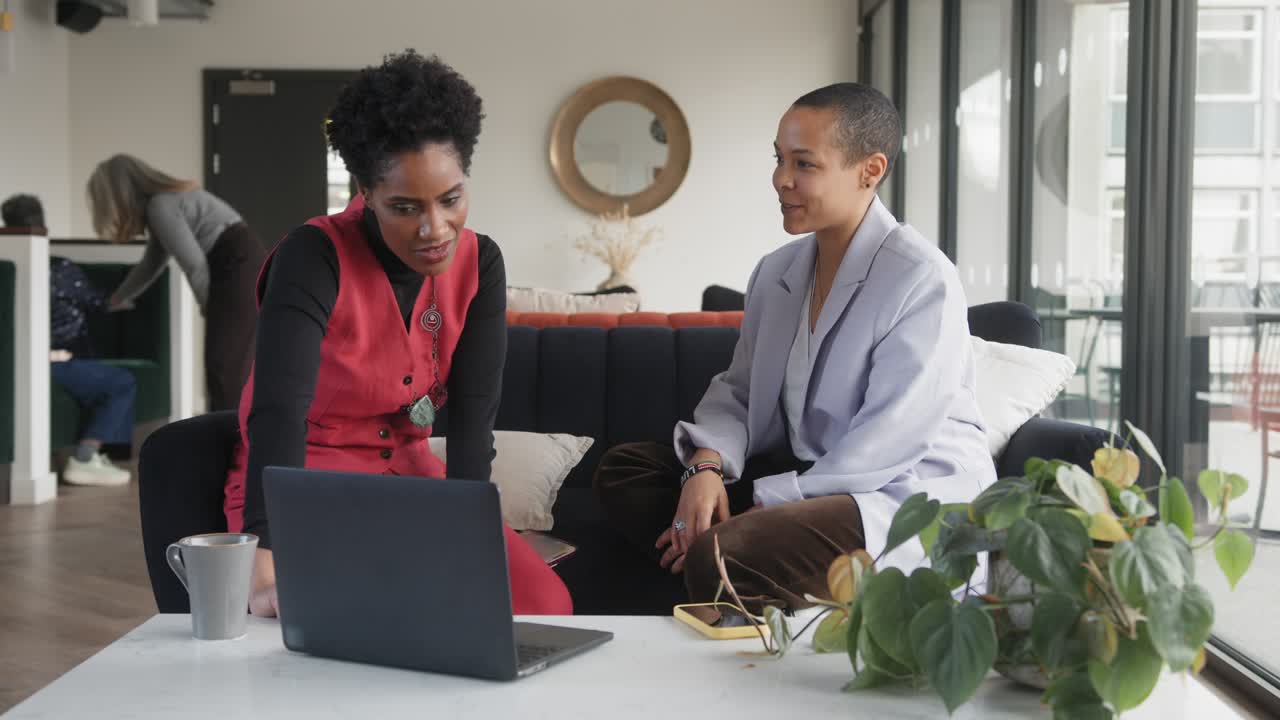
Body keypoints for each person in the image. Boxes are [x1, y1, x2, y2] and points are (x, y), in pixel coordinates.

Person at [594, 83, 995, 611]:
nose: (781, 179)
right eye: (779, 159)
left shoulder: (921, 278)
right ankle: (734, 564)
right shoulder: (777, 272)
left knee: (725, 550)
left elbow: (888, 442)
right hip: (806, 476)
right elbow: (739, 391)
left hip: (890, 493)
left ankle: (726, 559)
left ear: (870, 170)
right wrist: (704, 469)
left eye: (804, 164)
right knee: (626, 471)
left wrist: (767, 503)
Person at [218, 50, 572, 618]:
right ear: (366, 190)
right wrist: (266, 545)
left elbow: (472, 423)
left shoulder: (481, 263)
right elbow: (278, 412)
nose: (435, 229)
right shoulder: (313, 256)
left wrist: (469, 531)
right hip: (307, 484)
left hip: (414, 479)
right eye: (404, 207)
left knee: (541, 605)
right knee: (373, 619)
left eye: (450, 200)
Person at [86, 154, 265, 411]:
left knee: (224, 366)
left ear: (121, 193)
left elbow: (194, 265)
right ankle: (235, 432)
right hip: (242, 260)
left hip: (236, 265)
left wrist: (209, 309)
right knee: (231, 365)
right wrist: (119, 297)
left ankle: (230, 434)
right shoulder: (164, 204)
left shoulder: (160, 206)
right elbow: (152, 262)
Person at [1, 193, 134, 486]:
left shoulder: (7, 267)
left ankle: (97, 453)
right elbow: (98, 302)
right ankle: (85, 458)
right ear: (42, 225)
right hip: (53, 361)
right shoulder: (59, 269)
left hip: (24, 361)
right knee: (121, 382)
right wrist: (129, 297)